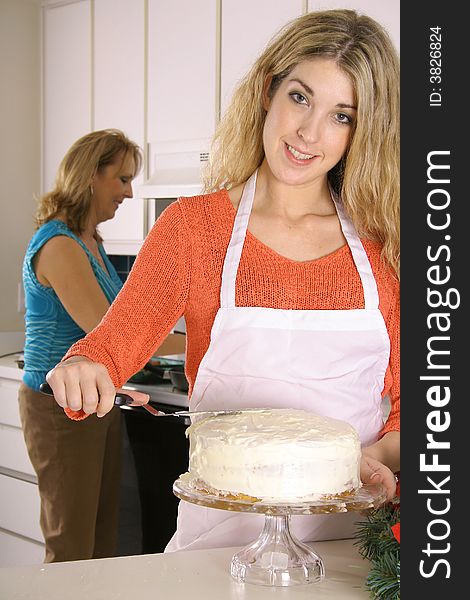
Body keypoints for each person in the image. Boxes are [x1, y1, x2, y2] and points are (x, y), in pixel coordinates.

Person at [46, 9, 400, 552]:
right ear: (268, 90)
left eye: (342, 116)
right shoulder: (192, 230)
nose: (309, 133)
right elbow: (110, 348)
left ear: (363, 130)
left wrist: (373, 460)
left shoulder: (385, 245)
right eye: (300, 97)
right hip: (217, 556)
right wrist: (82, 368)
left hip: (354, 554)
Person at [19, 129, 143, 562]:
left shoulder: (92, 242)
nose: (129, 192)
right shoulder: (59, 245)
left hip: (94, 399)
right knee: (70, 542)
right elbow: (106, 328)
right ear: (92, 175)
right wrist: (194, 339)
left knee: (103, 533)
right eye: (122, 179)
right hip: (57, 405)